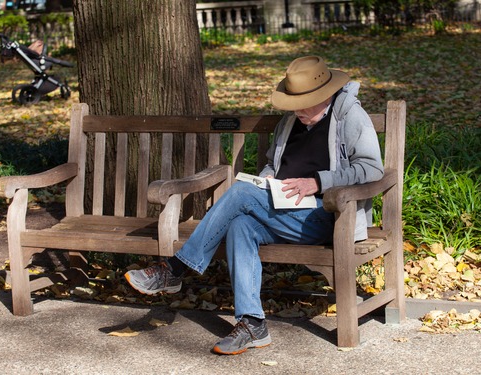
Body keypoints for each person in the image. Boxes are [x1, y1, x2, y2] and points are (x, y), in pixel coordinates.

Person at [125, 56, 384, 355]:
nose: (297, 110)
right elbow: (273, 163)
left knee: (240, 194)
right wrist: (267, 178)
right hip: (282, 208)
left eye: (305, 103)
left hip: (327, 214)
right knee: (240, 225)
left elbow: (371, 169)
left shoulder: (350, 115)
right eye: (294, 103)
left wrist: (318, 182)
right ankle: (252, 323)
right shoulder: (291, 121)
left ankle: (175, 269)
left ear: (324, 96)